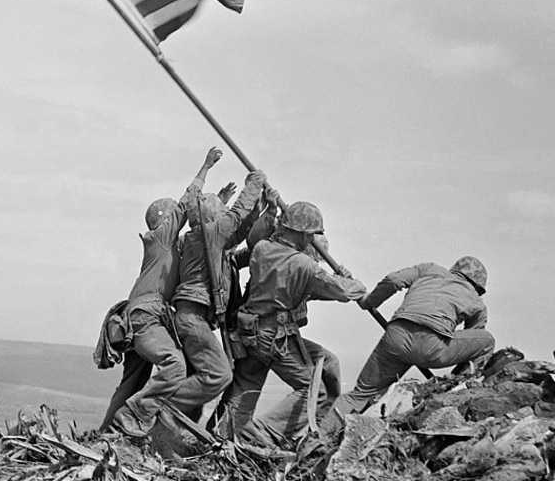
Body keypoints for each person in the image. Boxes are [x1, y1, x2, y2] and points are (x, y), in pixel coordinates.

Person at [218, 201, 366, 445]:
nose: (311, 241)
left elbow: (299, 286)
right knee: (314, 390)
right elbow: (342, 291)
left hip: (249, 332)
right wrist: (353, 281)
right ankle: (263, 434)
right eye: (310, 236)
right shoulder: (304, 265)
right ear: (302, 233)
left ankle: (225, 436)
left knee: (248, 387)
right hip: (274, 337)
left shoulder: (262, 249)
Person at [104, 147, 223, 437]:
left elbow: (201, 231)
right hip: (146, 317)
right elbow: (186, 204)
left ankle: (106, 433)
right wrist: (205, 167)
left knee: (132, 381)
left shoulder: (166, 247)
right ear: (165, 220)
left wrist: (220, 204)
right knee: (174, 364)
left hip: (138, 318)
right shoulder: (160, 238)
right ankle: (136, 417)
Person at [318, 256, 495, 437]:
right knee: (487, 341)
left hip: (395, 338)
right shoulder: (477, 302)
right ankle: (458, 389)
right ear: (478, 286)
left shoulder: (429, 269)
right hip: (432, 347)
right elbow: (472, 342)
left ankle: (319, 436)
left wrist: (369, 302)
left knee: (359, 395)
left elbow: (394, 280)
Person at [165, 168, 268, 419]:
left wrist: (260, 210)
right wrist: (254, 184)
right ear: (214, 217)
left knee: (199, 382)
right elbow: (237, 215)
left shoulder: (201, 238)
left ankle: (174, 425)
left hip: (192, 317)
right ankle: (161, 407)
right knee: (219, 374)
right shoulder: (209, 234)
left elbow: (239, 231)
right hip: (193, 317)